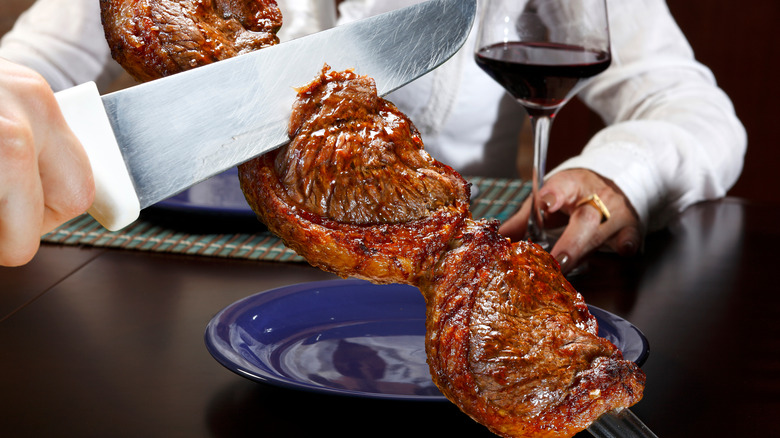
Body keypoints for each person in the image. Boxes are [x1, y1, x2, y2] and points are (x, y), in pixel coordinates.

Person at [0, 0, 746, 271]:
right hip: (161, 296)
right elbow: (23, 68)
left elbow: (689, 104)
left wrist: (622, 175)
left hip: (414, 301)